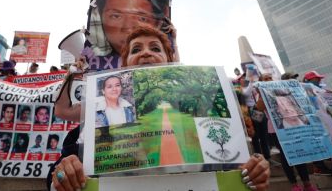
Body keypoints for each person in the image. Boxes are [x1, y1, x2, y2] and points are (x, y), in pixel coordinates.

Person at [49, 26, 270, 191]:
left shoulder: (206, 105)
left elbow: (233, 170)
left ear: (169, 60)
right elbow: (57, 176)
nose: (146, 53)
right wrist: (64, 173)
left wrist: (253, 172)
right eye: (136, 49)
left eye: (155, 48)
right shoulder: (92, 126)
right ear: (125, 65)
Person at [256, 73, 317, 191]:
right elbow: (259, 108)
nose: (269, 80)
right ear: (261, 82)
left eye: (270, 78)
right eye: (265, 79)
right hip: (277, 129)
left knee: (299, 153)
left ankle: (307, 184)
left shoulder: (282, 89)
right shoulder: (262, 93)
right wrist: (261, 93)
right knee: (285, 155)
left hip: (294, 126)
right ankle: (294, 184)